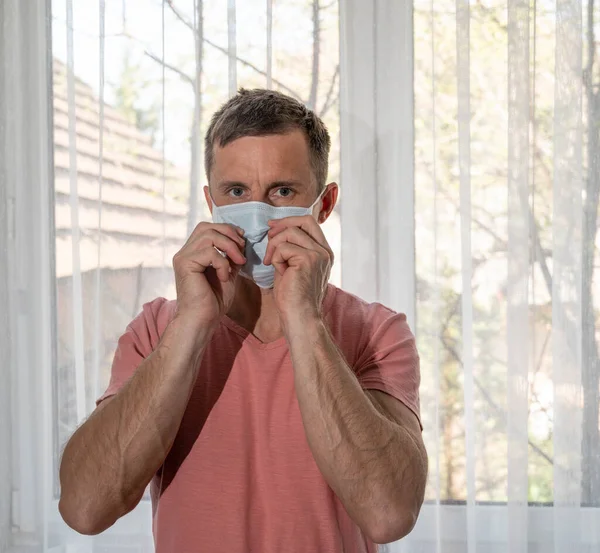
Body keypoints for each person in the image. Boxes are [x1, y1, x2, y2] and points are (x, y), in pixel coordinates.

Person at [58, 88, 427, 552]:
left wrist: (305, 320)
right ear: (212, 203)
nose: (258, 214)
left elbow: (389, 514)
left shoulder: (378, 333)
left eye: (283, 191)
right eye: (237, 192)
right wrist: (192, 323)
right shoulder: (156, 330)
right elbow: (85, 509)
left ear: (324, 205)